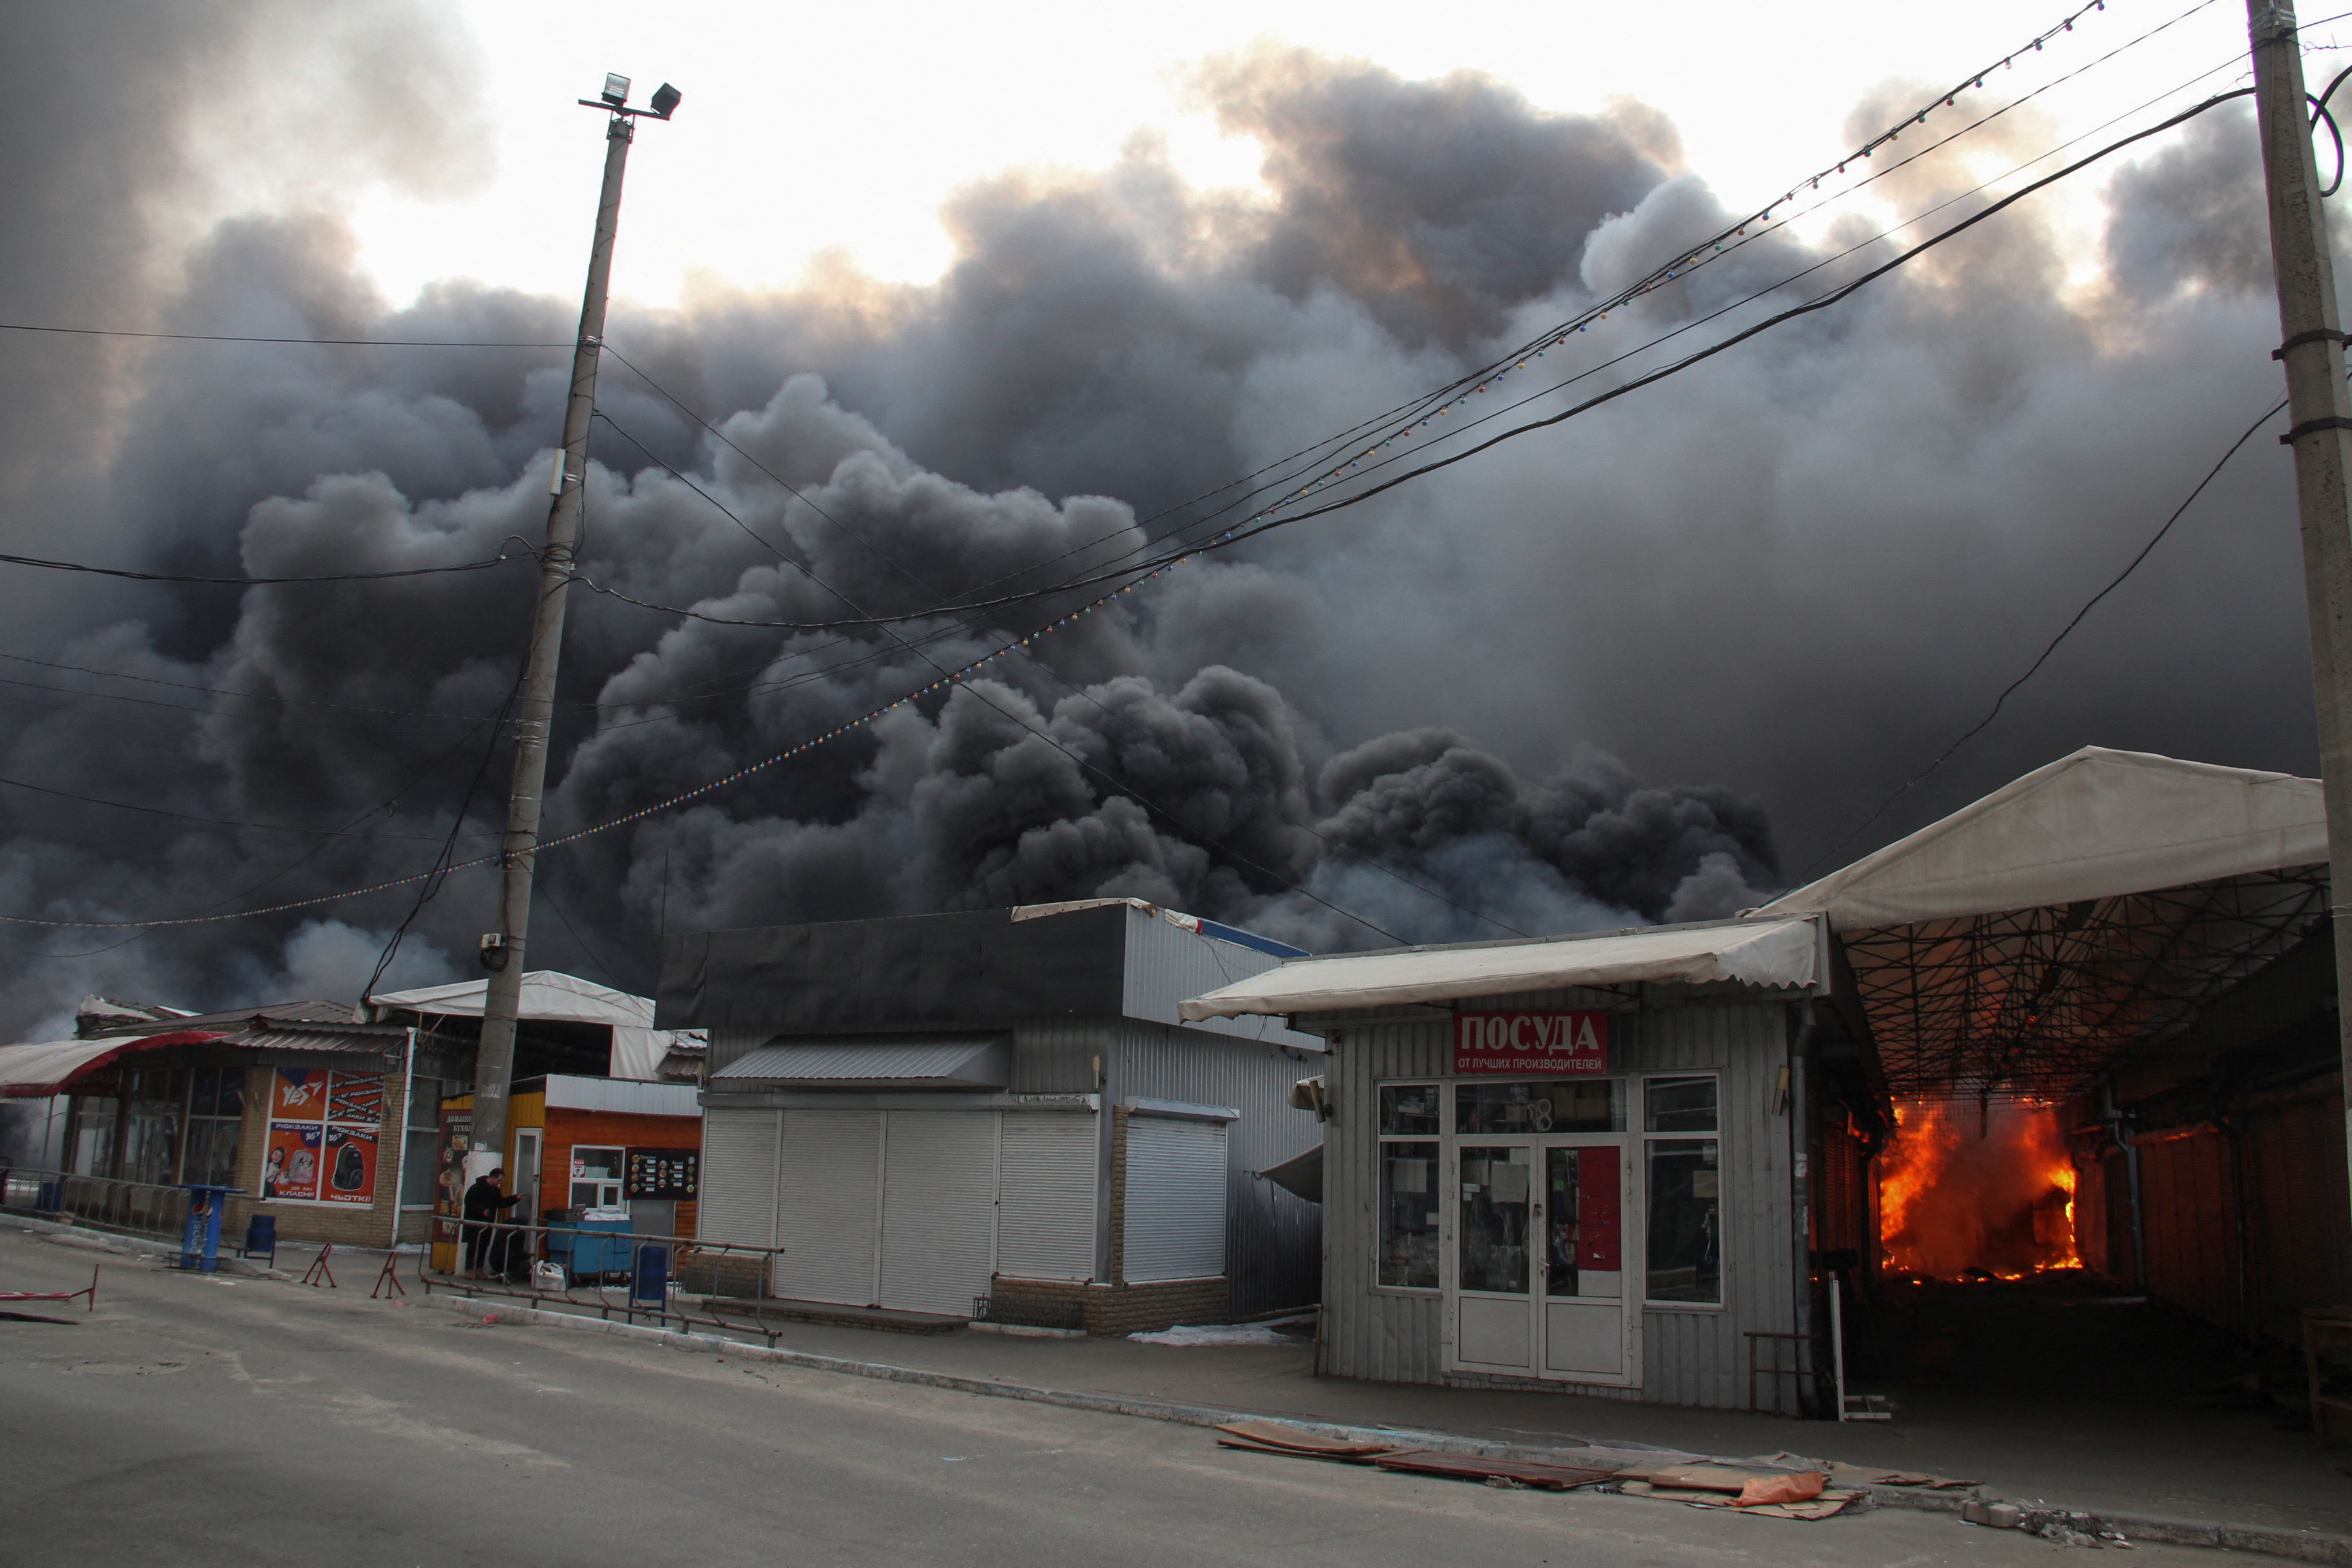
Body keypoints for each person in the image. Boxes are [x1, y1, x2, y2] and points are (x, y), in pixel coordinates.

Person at [461, 1169, 521, 1276]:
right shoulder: (476, 1188)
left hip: (488, 1223)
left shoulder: (495, 1190)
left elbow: (500, 1203)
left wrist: (514, 1199)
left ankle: (479, 1269)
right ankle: (468, 1269)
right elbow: (469, 1202)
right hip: (474, 1223)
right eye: (499, 1180)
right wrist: (482, 1210)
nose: (499, 1183)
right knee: (472, 1246)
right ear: (492, 1177)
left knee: (483, 1246)